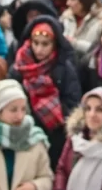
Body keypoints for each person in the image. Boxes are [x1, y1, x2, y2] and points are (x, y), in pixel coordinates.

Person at [11, 16, 83, 165]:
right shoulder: (18, 68)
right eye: (35, 43)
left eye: (45, 44)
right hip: (23, 132)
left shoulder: (64, 69)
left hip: (56, 135)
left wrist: (53, 110)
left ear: (54, 44)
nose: (39, 49)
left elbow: (73, 102)